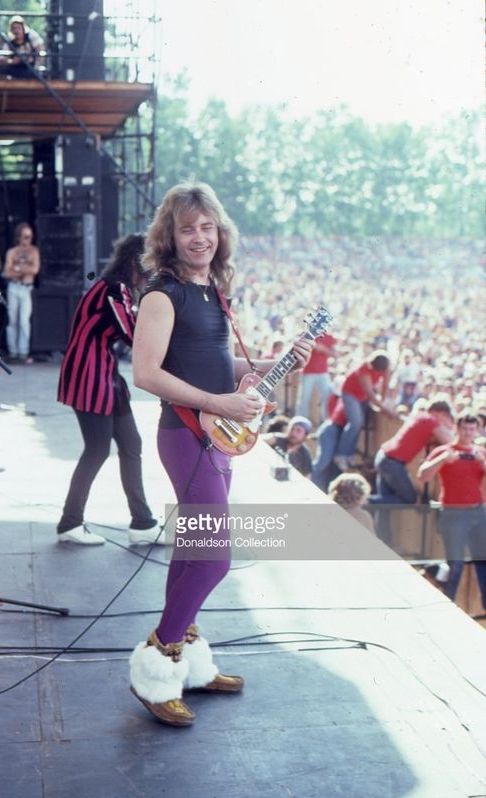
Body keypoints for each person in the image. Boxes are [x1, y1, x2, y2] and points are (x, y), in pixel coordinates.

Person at [128, 182, 313, 727]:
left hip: (216, 436)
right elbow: (146, 374)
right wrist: (217, 402)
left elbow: (215, 363)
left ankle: (186, 658)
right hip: (186, 435)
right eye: (187, 229)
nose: (199, 237)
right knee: (214, 556)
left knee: (193, 549)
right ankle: (157, 662)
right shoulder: (162, 295)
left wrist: (272, 366)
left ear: (220, 232)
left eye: (207, 227)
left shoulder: (212, 290)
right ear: (170, 236)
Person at [56, 234, 159, 547]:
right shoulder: (113, 290)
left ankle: (142, 522)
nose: (152, 275)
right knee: (97, 449)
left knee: (131, 444)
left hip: (103, 374)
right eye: (150, 267)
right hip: (89, 376)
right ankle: (70, 523)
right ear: (136, 263)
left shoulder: (113, 287)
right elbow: (132, 334)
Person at [418, 413, 486, 609]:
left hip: (478, 512)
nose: (468, 433)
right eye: (465, 428)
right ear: (457, 428)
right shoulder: (444, 451)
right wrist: (442, 460)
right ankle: (447, 607)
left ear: (477, 431)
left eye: (472, 429)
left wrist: (482, 462)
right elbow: (422, 475)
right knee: (455, 565)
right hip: (453, 513)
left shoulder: (480, 452)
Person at [369, 397, 454, 543]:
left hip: (385, 457)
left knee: (384, 505)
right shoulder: (430, 420)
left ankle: (384, 541)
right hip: (392, 462)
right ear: (441, 413)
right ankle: (364, 501)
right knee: (409, 500)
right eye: (446, 418)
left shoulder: (421, 417)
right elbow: (450, 441)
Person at [333, 350, 398, 471]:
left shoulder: (386, 368)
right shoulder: (363, 369)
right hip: (350, 393)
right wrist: (385, 410)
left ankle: (349, 454)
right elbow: (370, 394)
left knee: (358, 424)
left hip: (361, 396)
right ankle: (341, 455)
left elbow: (385, 385)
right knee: (355, 423)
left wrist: (383, 401)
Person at [2, 222, 40, 363]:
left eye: (29, 237)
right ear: (18, 237)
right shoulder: (12, 252)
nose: (27, 240)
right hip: (14, 287)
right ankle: (13, 351)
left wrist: (17, 268)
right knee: (12, 320)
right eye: (24, 237)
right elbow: (7, 272)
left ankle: (23, 351)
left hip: (26, 288)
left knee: (24, 320)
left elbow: (35, 270)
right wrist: (23, 270)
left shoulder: (34, 251)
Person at [297, 330, 337, 420]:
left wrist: (323, 349)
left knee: (328, 397)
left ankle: (327, 420)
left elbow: (335, 354)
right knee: (304, 398)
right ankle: (300, 421)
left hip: (323, 372)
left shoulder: (329, 337)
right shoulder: (307, 334)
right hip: (308, 372)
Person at [311, 398, 347, 491]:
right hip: (331, 429)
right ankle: (309, 484)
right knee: (322, 463)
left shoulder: (341, 397)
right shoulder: (342, 397)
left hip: (335, 430)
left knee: (330, 467)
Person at [0, 15, 44, 79]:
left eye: (19, 28)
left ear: (23, 28)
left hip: (30, 69)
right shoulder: (10, 42)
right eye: (14, 28)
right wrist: (12, 61)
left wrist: (35, 65)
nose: (16, 31)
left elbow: (40, 51)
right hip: (16, 69)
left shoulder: (31, 37)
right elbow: (0, 60)